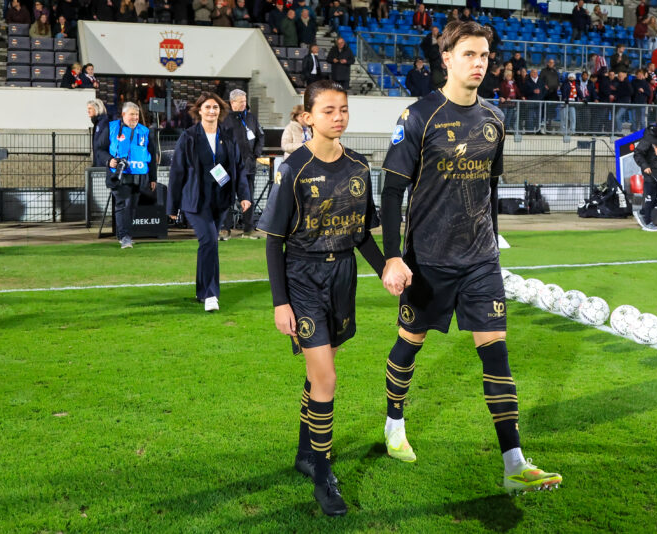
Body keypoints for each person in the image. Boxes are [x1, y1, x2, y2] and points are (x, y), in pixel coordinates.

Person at [379, 19, 562, 496]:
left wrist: (495, 244)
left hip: (480, 260)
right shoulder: (418, 116)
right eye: (468, 55)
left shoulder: (494, 119)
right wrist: (393, 257)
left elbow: (489, 189)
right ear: (447, 59)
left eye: (484, 56)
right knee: (410, 342)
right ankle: (394, 424)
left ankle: (514, 463)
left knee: (496, 353)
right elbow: (392, 191)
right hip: (429, 259)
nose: (479, 63)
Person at [257, 80, 385, 517]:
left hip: (342, 277)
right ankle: (323, 476)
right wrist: (281, 302)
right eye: (328, 110)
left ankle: (304, 454)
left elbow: (361, 234)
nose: (338, 117)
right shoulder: (293, 168)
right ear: (308, 117)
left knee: (319, 373)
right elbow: (274, 241)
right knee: (326, 377)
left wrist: (387, 268)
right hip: (303, 278)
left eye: (343, 109)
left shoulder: (359, 166)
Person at [168, 92, 251, 311]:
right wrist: (172, 206)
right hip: (195, 200)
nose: (212, 111)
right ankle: (210, 294)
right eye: (207, 107)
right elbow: (177, 172)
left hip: (220, 200)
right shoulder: (188, 137)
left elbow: (238, 167)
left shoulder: (228, 136)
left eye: (215, 107)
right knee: (209, 242)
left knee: (208, 244)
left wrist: (244, 195)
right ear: (199, 110)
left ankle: (201, 290)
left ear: (220, 111)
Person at [95, 102, 158, 249]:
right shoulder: (111, 128)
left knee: (132, 207)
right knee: (122, 204)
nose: (135, 117)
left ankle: (123, 235)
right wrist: (109, 160)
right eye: (132, 114)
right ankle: (125, 237)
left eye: (137, 114)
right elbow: (99, 149)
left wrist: (153, 178)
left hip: (139, 175)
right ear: (123, 115)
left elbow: (152, 155)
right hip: (119, 174)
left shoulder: (145, 131)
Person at [220, 89, 264, 240]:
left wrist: (256, 154)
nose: (244, 104)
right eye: (241, 101)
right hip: (228, 167)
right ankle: (225, 229)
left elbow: (260, 136)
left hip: (248, 166)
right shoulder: (224, 119)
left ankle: (248, 229)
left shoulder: (251, 118)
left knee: (248, 197)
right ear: (232, 102)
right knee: (226, 197)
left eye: (245, 101)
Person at [633, 115, 657, 232]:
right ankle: (646, 221)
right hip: (651, 172)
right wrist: (645, 166)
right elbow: (637, 153)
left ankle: (643, 213)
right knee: (650, 197)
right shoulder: (649, 137)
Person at [87, 98, 109, 167]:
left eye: (90, 108)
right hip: (98, 161)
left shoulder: (103, 123)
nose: (88, 111)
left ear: (96, 109)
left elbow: (102, 145)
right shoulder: (98, 123)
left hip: (102, 163)